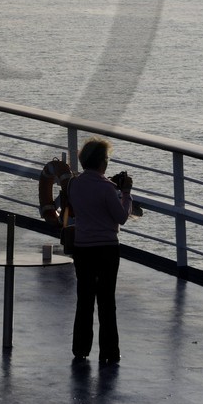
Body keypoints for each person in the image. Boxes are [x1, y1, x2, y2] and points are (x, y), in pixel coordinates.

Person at [70, 137, 133, 365]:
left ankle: (80, 348)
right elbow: (122, 217)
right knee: (106, 301)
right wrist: (125, 193)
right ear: (101, 162)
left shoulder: (74, 185)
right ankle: (109, 351)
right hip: (106, 249)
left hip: (82, 248)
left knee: (84, 299)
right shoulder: (107, 188)